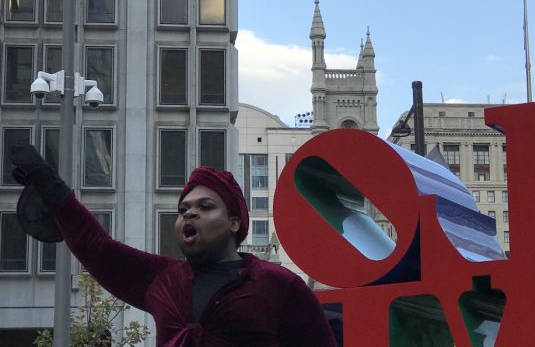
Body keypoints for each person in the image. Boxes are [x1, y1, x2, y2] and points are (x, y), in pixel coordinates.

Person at [10, 145, 337, 347]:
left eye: (206, 206)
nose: (190, 212)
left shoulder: (279, 284)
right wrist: (48, 183)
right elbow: (97, 246)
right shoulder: (163, 279)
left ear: (235, 222)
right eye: (183, 210)